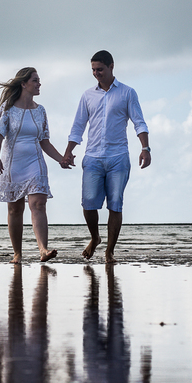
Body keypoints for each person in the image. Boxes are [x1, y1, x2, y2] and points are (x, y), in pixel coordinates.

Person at [61, 51, 150, 263]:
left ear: (111, 66)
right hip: (92, 157)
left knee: (115, 204)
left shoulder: (128, 93)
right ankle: (95, 238)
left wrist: (145, 148)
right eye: (93, 70)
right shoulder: (87, 95)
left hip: (118, 156)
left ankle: (109, 251)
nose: (96, 73)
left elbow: (139, 122)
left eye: (99, 69)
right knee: (89, 204)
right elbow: (78, 126)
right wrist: (68, 152)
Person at [0, 67, 70, 263]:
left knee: (39, 204)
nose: (39, 83)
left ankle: (43, 250)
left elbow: (44, 141)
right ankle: (17, 254)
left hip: (35, 163)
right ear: (23, 84)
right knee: (15, 210)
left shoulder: (40, 111)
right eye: (35, 80)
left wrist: (61, 158)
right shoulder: (7, 109)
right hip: (12, 164)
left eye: (39, 80)